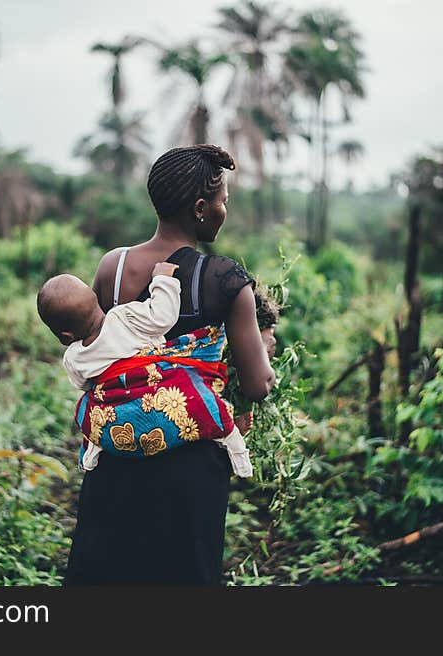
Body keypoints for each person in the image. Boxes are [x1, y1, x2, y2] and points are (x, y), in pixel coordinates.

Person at [63, 144, 276, 586]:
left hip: (117, 454)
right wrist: (265, 350)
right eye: (222, 201)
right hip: (189, 469)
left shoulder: (113, 267)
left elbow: (104, 350)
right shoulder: (225, 280)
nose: (224, 210)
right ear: (201, 208)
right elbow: (257, 387)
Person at [36, 261, 254, 477]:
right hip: (159, 395)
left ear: (65, 336)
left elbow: (84, 385)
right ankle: (238, 453)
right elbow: (163, 317)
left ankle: (92, 451)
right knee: (201, 401)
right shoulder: (124, 317)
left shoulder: (74, 357)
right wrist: (162, 279)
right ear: (96, 301)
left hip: (119, 421)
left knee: (87, 408)